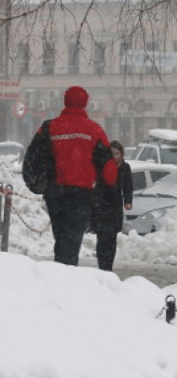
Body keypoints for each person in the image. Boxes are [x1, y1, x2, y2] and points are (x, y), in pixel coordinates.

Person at [22, 86, 118, 266]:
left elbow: (31, 158)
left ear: (65, 101)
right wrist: (109, 189)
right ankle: (66, 276)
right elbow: (109, 168)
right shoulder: (94, 130)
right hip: (81, 195)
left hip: (55, 194)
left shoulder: (49, 128)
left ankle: (61, 272)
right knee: (72, 241)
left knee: (61, 239)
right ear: (85, 103)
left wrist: (37, 185)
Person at [89, 140, 134, 272]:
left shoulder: (125, 168)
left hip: (115, 206)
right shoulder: (101, 165)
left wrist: (128, 201)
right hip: (100, 205)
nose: (114, 156)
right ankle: (102, 266)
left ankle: (108, 266)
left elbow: (128, 187)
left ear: (121, 154)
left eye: (117, 153)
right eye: (111, 153)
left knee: (111, 239)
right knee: (101, 238)